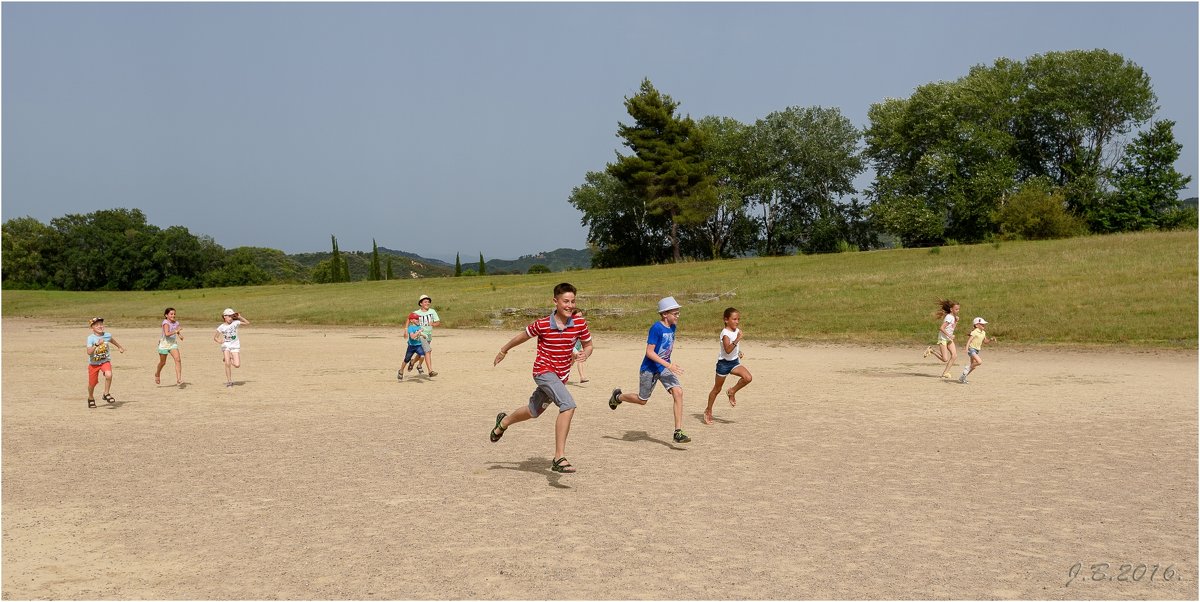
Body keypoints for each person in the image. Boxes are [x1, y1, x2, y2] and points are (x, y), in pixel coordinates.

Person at [489, 282, 593, 474]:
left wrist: (585, 354)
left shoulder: (579, 322)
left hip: (561, 376)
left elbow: (588, 344)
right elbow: (522, 336)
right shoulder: (543, 324)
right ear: (555, 301)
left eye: (572, 301)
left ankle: (502, 423)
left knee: (533, 411)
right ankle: (559, 457)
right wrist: (504, 350)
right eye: (565, 301)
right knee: (568, 405)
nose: (569, 305)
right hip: (543, 372)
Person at [607, 296, 692, 444]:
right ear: (665, 314)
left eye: (678, 313)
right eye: (675, 313)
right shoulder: (656, 328)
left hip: (664, 367)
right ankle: (618, 397)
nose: (678, 316)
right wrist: (668, 365)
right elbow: (650, 352)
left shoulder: (672, 327)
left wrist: (667, 365)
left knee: (678, 392)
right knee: (642, 400)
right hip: (649, 369)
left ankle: (677, 432)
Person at [704, 307, 753, 425]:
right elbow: (727, 349)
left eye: (738, 319)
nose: (737, 321)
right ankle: (708, 410)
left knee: (748, 378)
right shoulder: (725, 333)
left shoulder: (736, 331)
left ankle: (732, 391)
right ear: (726, 320)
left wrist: (739, 352)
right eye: (734, 319)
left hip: (734, 363)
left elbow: (734, 349)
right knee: (717, 389)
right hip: (724, 364)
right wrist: (737, 340)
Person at [86, 317, 126, 408]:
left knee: (109, 374)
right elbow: (88, 352)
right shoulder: (90, 338)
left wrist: (119, 347)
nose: (100, 326)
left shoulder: (107, 335)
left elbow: (111, 340)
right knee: (92, 384)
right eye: (96, 325)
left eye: (101, 324)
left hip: (105, 361)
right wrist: (96, 344)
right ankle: (91, 397)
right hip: (94, 364)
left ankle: (106, 393)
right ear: (92, 328)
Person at [213, 308, 250, 387]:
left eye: (232, 316)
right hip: (226, 345)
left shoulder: (235, 322)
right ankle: (229, 381)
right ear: (224, 317)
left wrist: (240, 317)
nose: (231, 318)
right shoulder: (221, 327)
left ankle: (228, 358)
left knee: (237, 365)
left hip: (235, 345)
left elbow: (247, 323)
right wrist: (220, 341)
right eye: (229, 316)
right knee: (227, 363)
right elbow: (215, 337)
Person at [923, 299, 960, 378]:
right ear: (951, 309)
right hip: (943, 339)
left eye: (958, 309)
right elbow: (941, 328)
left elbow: (952, 328)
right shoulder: (949, 317)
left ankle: (945, 373)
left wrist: (956, 321)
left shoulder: (953, 317)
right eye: (956, 309)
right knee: (945, 359)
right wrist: (949, 335)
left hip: (948, 339)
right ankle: (931, 350)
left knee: (954, 355)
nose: (958, 310)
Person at [959, 317, 997, 384]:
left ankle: (963, 377)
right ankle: (967, 367)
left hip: (977, 350)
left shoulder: (983, 332)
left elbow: (985, 341)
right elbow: (969, 340)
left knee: (973, 367)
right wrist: (966, 348)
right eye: (982, 324)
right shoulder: (974, 332)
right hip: (972, 349)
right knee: (979, 362)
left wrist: (991, 339)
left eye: (984, 324)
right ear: (976, 325)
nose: (983, 325)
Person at [154, 307, 185, 386]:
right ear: (166, 315)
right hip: (164, 344)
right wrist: (176, 331)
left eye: (174, 314)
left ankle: (178, 379)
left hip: (172, 344)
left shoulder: (176, 323)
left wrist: (180, 335)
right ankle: (157, 373)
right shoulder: (165, 323)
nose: (173, 315)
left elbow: (176, 329)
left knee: (178, 359)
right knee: (163, 362)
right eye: (171, 314)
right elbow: (167, 334)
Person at [414, 294, 442, 377]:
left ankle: (413, 362)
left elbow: (438, 323)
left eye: (428, 302)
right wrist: (409, 327)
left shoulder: (432, 311)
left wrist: (433, 324)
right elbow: (410, 320)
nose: (427, 303)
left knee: (422, 352)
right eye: (425, 302)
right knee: (428, 351)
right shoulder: (416, 313)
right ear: (421, 303)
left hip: (429, 335)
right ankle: (430, 371)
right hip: (421, 335)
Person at [399, 312, 426, 380]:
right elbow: (413, 337)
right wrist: (419, 332)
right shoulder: (410, 328)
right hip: (411, 347)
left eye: (418, 319)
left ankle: (419, 366)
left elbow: (420, 334)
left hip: (418, 345)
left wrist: (424, 335)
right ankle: (401, 371)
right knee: (406, 360)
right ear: (411, 320)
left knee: (422, 355)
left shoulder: (419, 327)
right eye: (416, 319)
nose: (418, 320)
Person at [570, 308, 589, 383]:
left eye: (581, 316)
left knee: (570, 363)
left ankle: (558, 375)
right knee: (579, 358)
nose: (580, 318)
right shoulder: (569, 326)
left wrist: (581, 348)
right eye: (577, 316)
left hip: (577, 346)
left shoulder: (582, 326)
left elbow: (583, 338)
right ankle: (582, 377)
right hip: (571, 347)